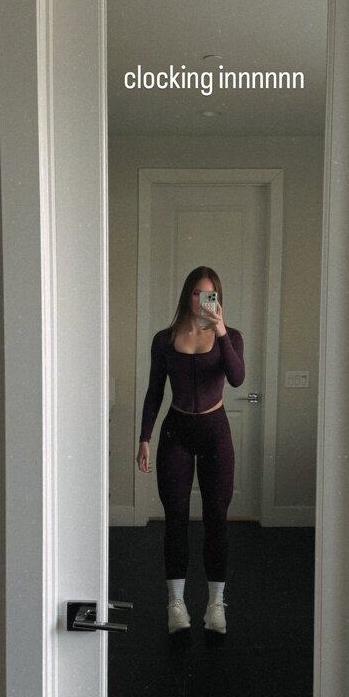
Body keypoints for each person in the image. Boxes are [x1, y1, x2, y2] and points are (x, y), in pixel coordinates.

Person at [136, 266, 245, 634]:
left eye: (209, 294)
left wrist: (220, 331)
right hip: (176, 433)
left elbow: (237, 378)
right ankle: (176, 604)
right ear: (187, 294)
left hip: (215, 433)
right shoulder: (164, 340)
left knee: (216, 518)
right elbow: (154, 390)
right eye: (197, 293)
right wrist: (145, 437)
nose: (202, 300)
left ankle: (216, 605)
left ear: (218, 298)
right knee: (176, 519)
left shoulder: (231, 336)